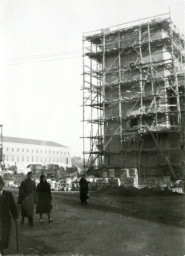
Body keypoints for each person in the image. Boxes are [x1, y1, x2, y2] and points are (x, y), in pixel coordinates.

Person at [0, 176, 18, 255]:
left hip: (5, 219)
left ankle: (1, 250)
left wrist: (15, 217)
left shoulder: (8, 195)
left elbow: (13, 207)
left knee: (5, 237)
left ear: (2, 184)